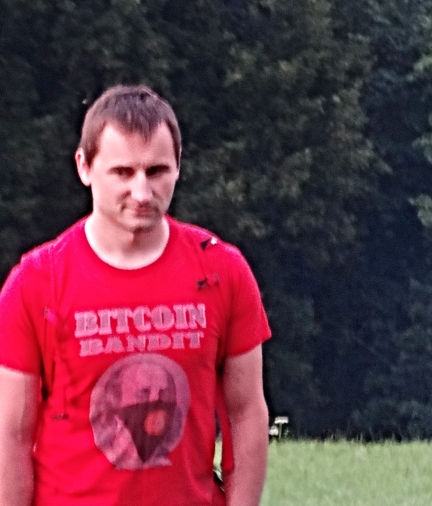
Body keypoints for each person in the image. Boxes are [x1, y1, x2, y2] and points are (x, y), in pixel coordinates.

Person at [0, 84, 270, 506]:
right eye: (123, 173)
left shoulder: (222, 272)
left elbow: (246, 412)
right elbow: (11, 436)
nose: (142, 193)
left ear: (178, 166)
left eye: (156, 171)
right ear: (84, 167)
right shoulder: (36, 283)